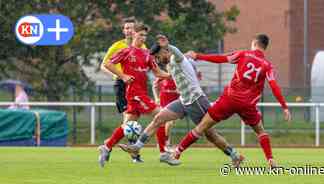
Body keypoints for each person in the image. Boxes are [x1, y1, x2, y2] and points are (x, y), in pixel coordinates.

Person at [118, 35, 244, 166]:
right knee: (158, 118)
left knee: (210, 135)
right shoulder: (170, 66)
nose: (157, 60)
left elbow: (177, 53)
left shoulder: (176, 58)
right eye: (155, 58)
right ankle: (137, 147)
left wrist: (167, 45)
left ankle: (235, 156)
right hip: (184, 101)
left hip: (196, 101)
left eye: (158, 56)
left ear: (165, 51)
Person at [173, 34, 292, 167]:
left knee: (202, 126)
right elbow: (274, 86)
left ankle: (178, 151)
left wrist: (197, 56)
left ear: (254, 43)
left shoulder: (244, 54)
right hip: (248, 105)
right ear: (265, 47)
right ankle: (270, 160)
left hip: (229, 99)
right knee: (260, 131)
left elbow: (221, 58)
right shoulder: (267, 66)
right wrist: (284, 107)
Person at [98, 23, 171, 167]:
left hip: (141, 93)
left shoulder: (146, 54)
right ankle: (163, 153)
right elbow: (108, 64)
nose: (143, 38)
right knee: (162, 116)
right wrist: (123, 75)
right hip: (134, 94)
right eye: (140, 35)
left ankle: (106, 147)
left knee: (127, 125)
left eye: (145, 35)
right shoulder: (126, 51)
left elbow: (157, 72)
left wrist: (171, 75)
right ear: (133, 34)